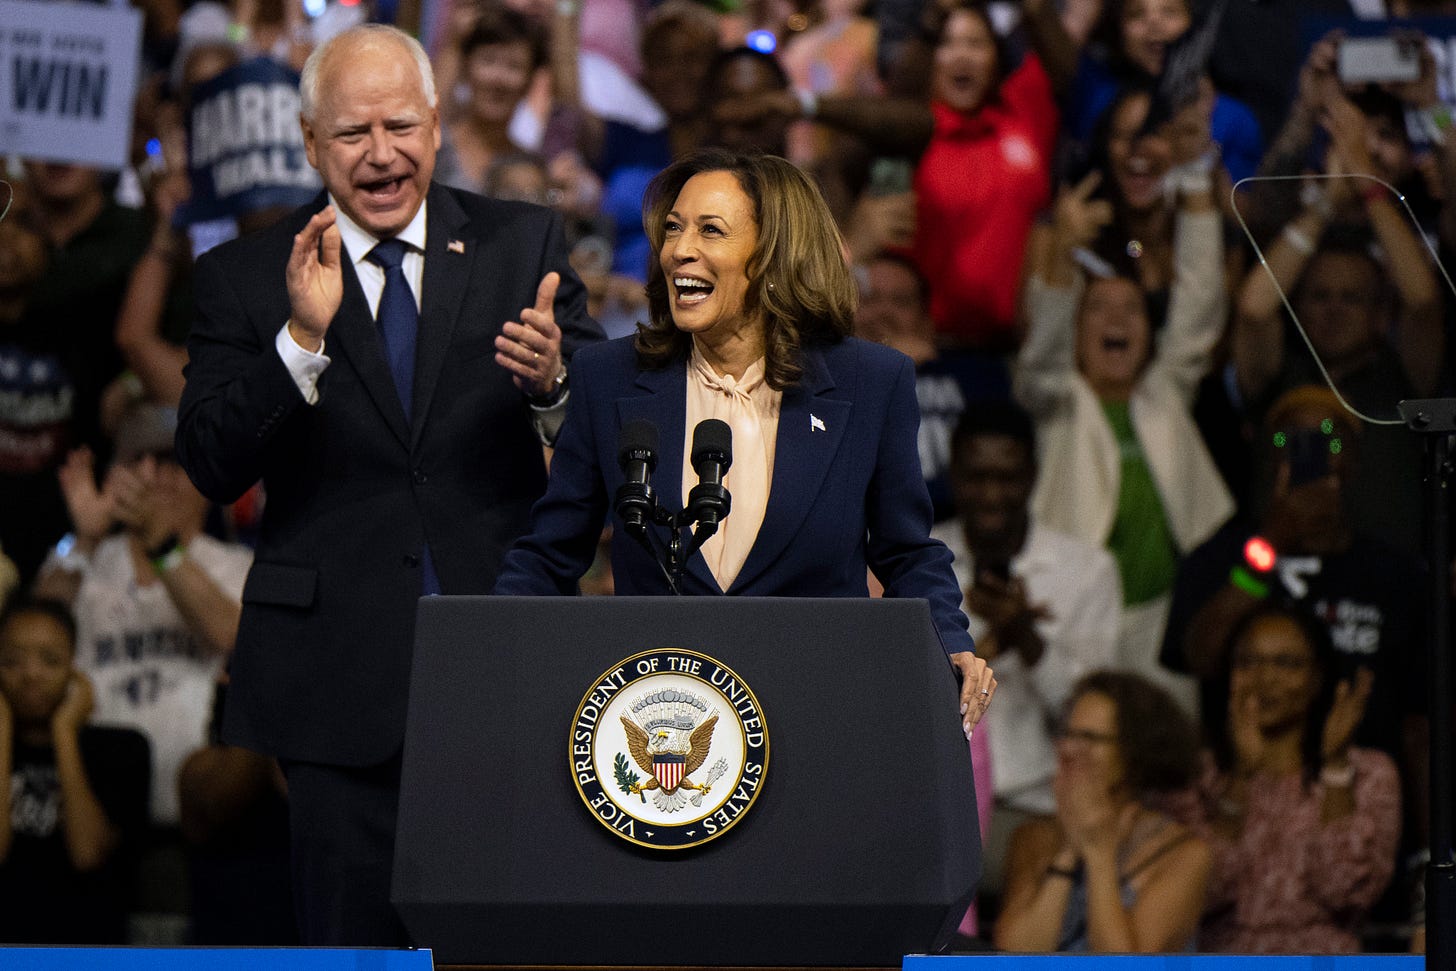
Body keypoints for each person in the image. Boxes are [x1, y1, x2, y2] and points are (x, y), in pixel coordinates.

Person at [174, 23, 602, 945]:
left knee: (505, 945)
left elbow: (611, 438)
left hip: (503, 664)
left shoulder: (520, 245)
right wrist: (297, 345)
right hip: (334, 678)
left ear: (438, 126)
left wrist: (558, 386)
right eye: (353, 134)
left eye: (400, 126)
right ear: (309, 144)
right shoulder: (245, 276)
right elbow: (210, 459)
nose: (381, 154)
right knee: (349, 941)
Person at [494, 148, 995, 735]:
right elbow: (551, 553)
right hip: (664, 732)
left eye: (711, 231)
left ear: (773, 256)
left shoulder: (871, 384)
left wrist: (951, 643)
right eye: (674, 229)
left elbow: (907, 552)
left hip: (816, 717)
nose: (680, 249)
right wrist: (490, 642)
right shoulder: (610, 378)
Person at [1016, 155, 1231, 712]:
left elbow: (1199, 307)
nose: (1116, 321)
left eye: (1132, 309)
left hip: (1164, 619)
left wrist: (1198, 186)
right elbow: (1041, 354)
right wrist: (1062, 248)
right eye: (1099, 309)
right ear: (1076, 326)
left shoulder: (1163, 394)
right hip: (1078, 616)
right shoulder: (1057, 402)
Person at [930, 401, 1121, 897]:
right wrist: (991, 639)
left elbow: (1091, 718)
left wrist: (1029, 639)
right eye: (976, 478)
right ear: (953, 475)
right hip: (939, 804)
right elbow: (905, 704)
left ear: (1033, 476)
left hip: (1040, 808)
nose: (992, 496)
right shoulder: (924, 563)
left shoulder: (1086, 572)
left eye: (1008, 478)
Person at [1187, 601, 1400, 953]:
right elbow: (1200, 892)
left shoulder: (1368, 773)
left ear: (1318, 677)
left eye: (1286, 663)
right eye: (1248, 662)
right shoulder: (1199, 774)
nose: (1264, 678)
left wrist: (1335, 766)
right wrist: (1240, 777)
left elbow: (1344, 891)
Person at [993, 670, 1211, 952]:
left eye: (1090, 738)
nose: (1070, 749)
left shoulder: (1186, 855)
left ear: (1135, 752)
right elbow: (1017, 957)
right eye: (1067, 734)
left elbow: (1121, 965)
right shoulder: (1034, 837)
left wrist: (1100, 856)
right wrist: (1070, 849)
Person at [0, 597, 151, 944]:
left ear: (74, 666)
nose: (31, 675)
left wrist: (64, 732)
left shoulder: (122, 749)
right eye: (12, 661)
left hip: (85, 949)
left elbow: (87, 854)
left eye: (50, 660)